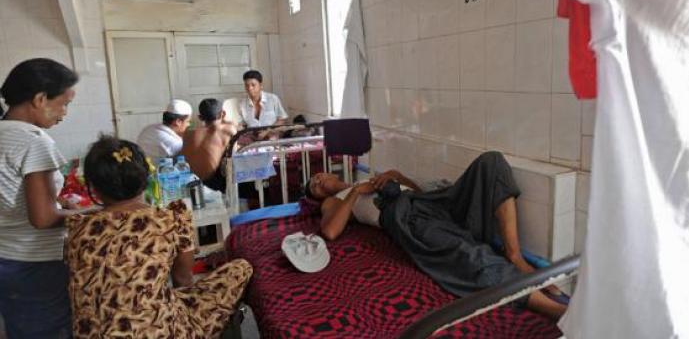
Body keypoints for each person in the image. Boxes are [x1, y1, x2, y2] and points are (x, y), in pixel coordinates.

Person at [304, 151, 568, 319]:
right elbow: (330, 231)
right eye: (314, 187)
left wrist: (395, 176)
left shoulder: (368, 174)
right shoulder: (335, 201)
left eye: (317, 176)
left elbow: (416, 190)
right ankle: (558, 311)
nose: (318, 180)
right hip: (405, 217)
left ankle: (514, 254)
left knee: (491, 162)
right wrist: (354, 193)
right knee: (468, 253)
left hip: (430, 202)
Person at [65, 136, 252, 337]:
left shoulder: (78, 227)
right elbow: (182, 278)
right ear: (146, 178)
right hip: (159, 331)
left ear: (94, 188)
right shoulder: (169, 218)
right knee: (240, 268)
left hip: (92, 334)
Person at [0, 58, 92, 338]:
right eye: (64, 103)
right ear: (40, 99)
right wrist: (92, 214)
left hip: (5, 257)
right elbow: (43, 219)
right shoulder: (34, 141)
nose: (64, 113)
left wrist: (59, 204)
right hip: (34, 261)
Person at [182, 99, 237, 192]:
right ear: (222, 114)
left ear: (200, 117)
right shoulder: (228, 130)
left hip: (192, 182)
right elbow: (234, 156)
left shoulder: (188, 134)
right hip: (217, 185)